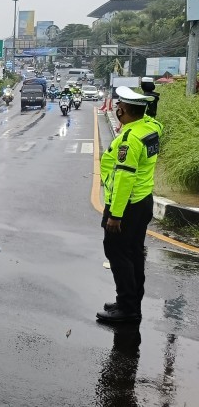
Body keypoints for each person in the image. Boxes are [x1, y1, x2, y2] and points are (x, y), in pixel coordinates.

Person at [96, 86, 162, 323]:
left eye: (118, 107)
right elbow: (153, 117)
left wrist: (115, 214)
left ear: (123, 111)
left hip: (127, 205)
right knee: (134, 252)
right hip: (143, 201)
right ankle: (131, 300)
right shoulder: (150, 128)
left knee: (117, 252)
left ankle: (127, 309)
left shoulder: (130, 139)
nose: (116, 110)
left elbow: (125, 178)